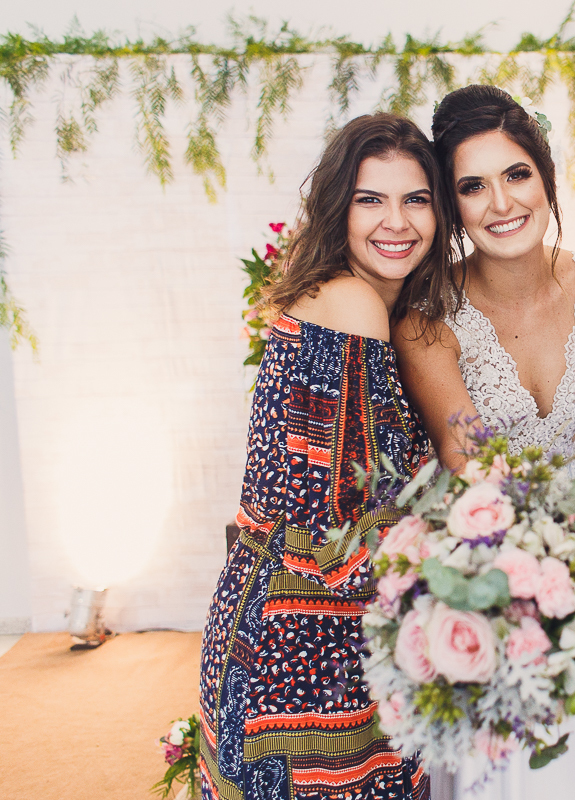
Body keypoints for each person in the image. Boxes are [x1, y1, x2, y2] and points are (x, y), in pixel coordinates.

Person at [198, 113, 454, 800]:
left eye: (415, 199)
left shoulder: (357, 303)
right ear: (339, 208)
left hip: (281, 619)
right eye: (370, 199)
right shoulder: (350, 305)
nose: (394, 221)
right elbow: (356, 524)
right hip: (306, 643)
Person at [393, 84, 575, 800]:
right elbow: (470, 465)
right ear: (450, 203)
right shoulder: (427, 315)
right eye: (473, 186)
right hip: (491, 567)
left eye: (517, 174)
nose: (502, 203)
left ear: (546, 176)